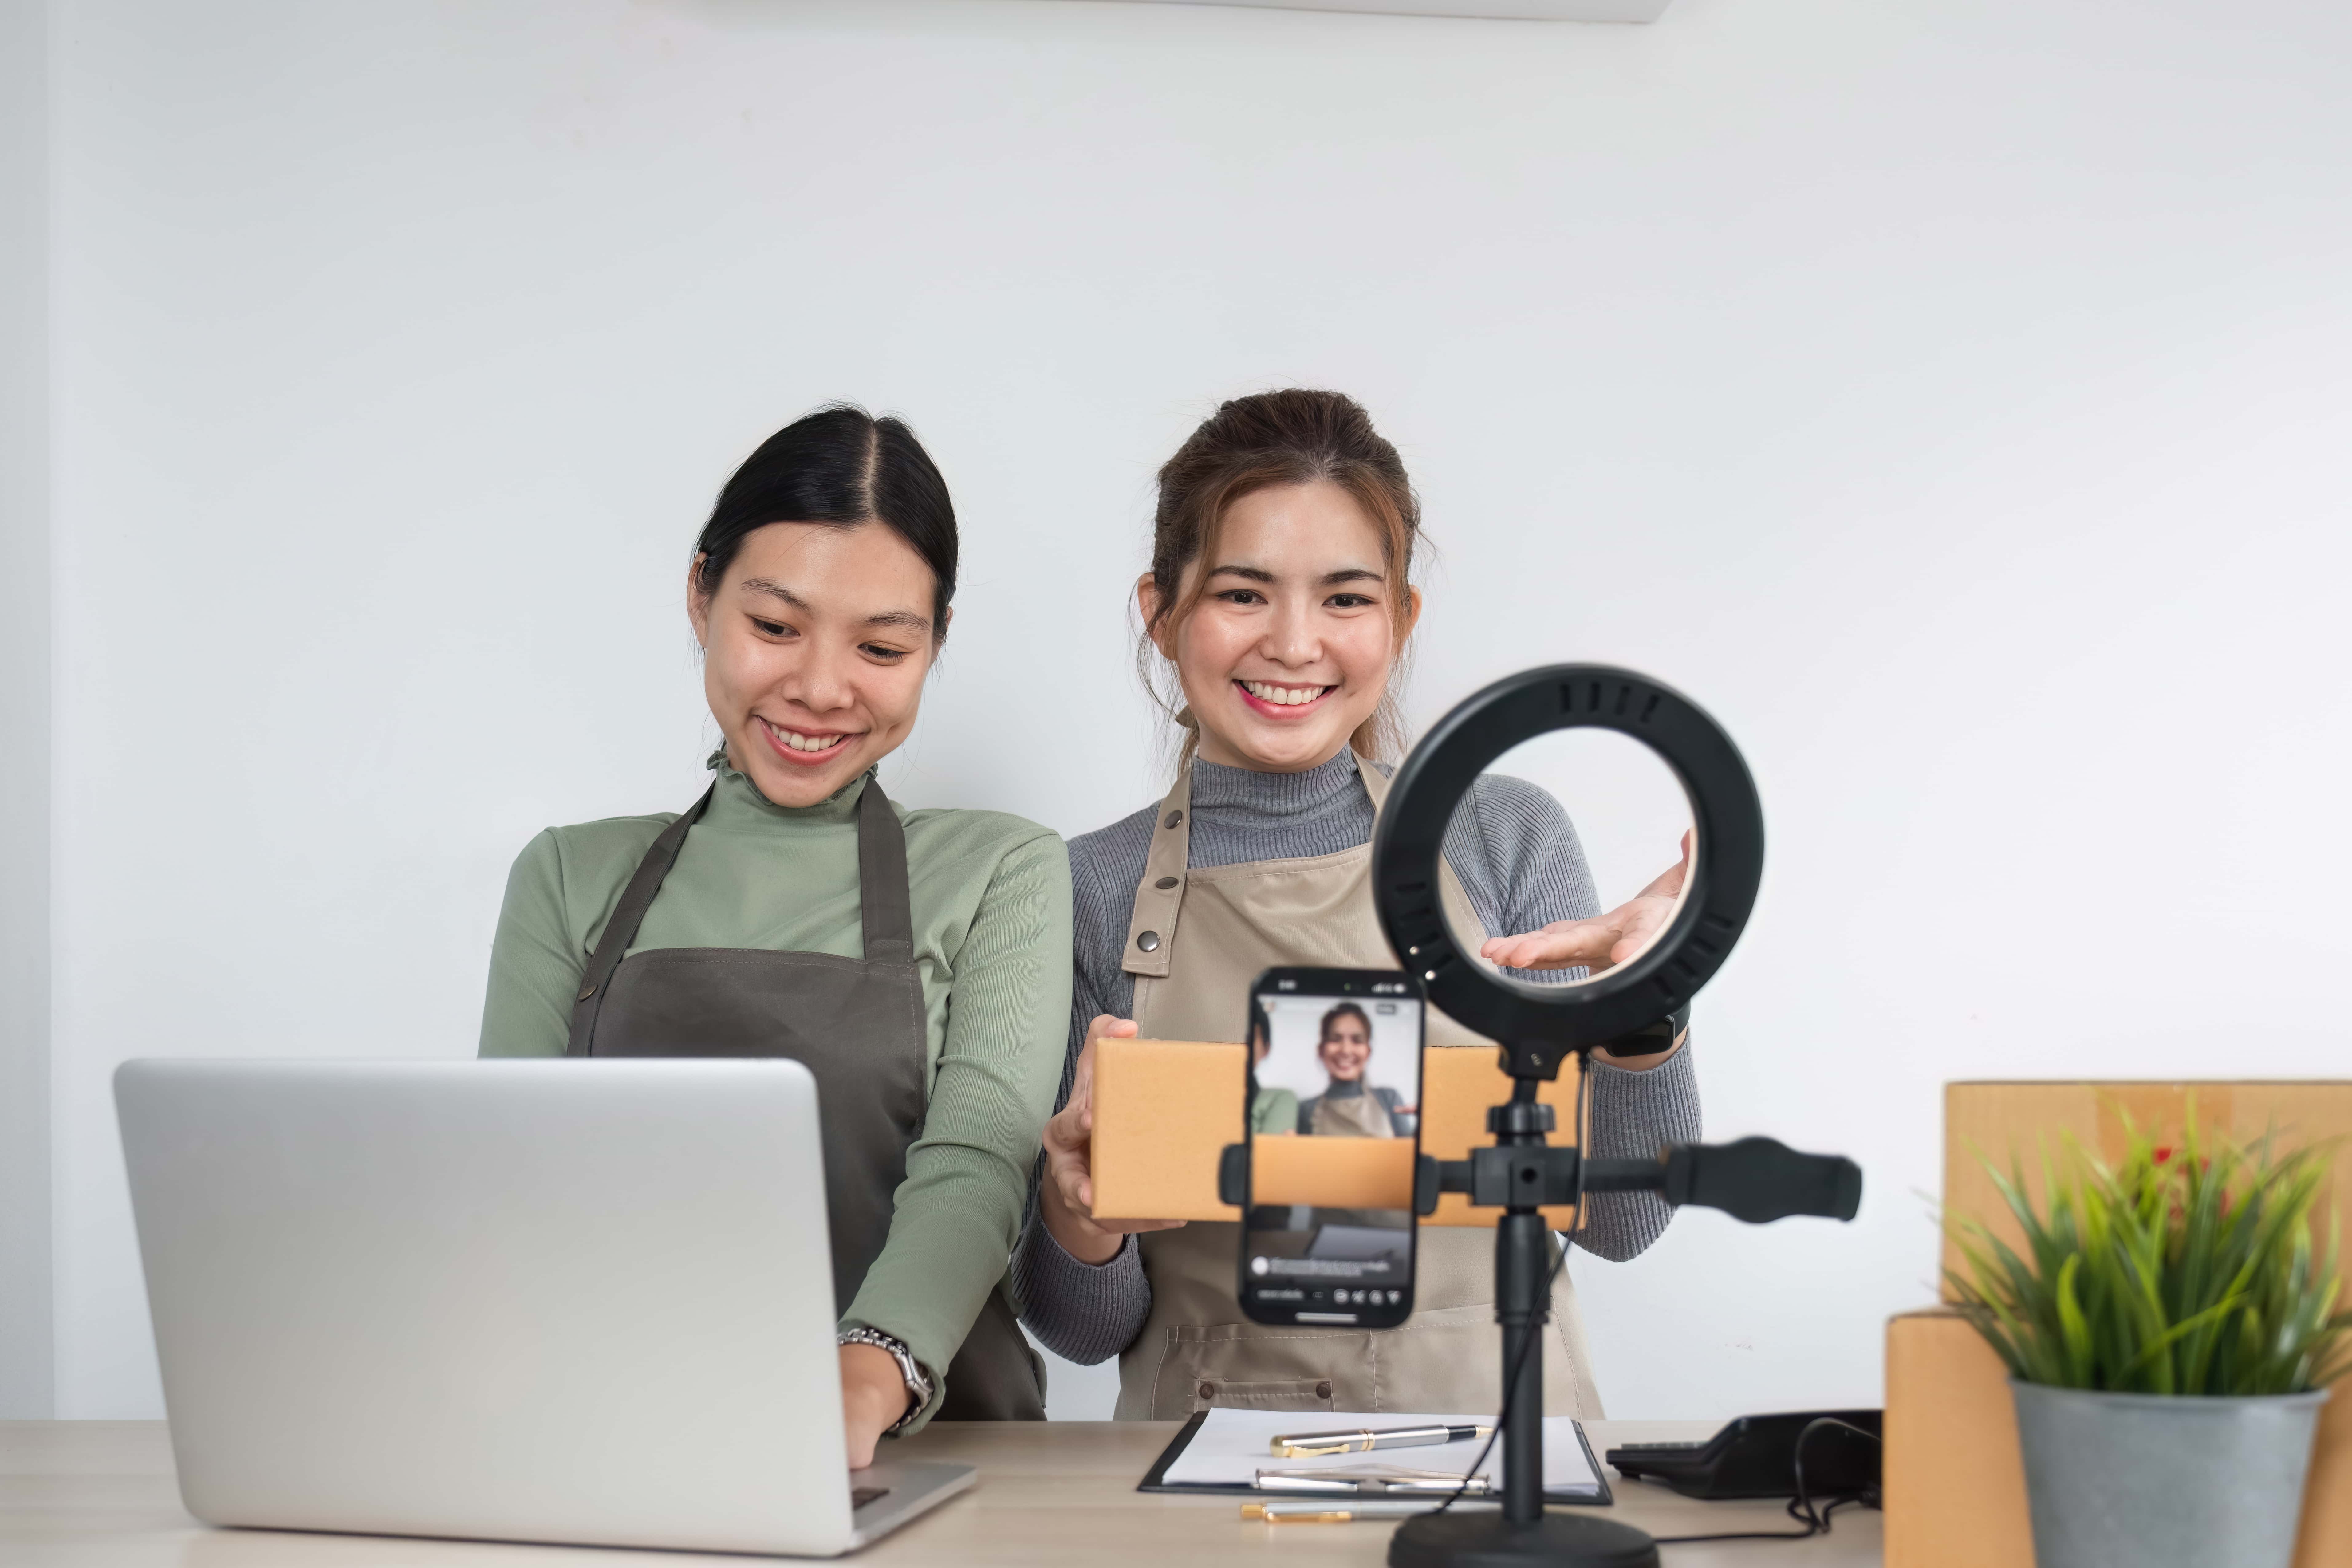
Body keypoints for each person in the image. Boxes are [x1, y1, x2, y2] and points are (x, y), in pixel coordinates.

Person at [1014, 389, 1700, 1420]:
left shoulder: (1503, 839)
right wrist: (1079, 1213)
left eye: (1344, 598)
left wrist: (1647, 1009)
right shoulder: (1089, 889)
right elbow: (1081, 1328)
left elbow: (1621, 1221)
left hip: (1496, 1469)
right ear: (1160, 612)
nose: (1295, 644)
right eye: (1243, 594)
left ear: (1401, 617)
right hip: (1212, 1489)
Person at [478, 406, 1072, 1464]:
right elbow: (511, 1192)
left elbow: (977, 1159)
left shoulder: (1000, 870)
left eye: (883, 645)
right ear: (701, 594)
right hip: (624, 1447)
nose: (820, 688)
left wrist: (865, 1372)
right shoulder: (570, 877)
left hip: (940, 1458)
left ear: (933, 645)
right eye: (775, 627)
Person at [1294, 1001, 1409, 1138]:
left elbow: (1409, 1154)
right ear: (1321, 1050)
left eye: (1357, 1040)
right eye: (1335, 1039)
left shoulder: (1389, 1099)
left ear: (1368, 1052)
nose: (1346, 1050)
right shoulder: (1306, 1110)